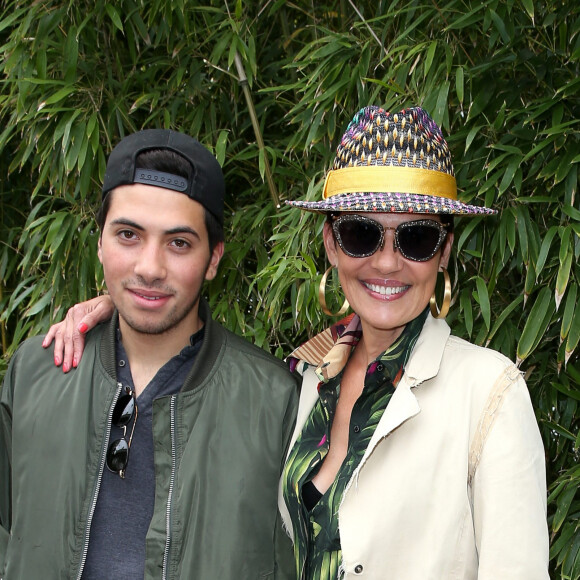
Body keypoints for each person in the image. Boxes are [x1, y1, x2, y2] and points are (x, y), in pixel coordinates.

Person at [44, 106, 550, 579]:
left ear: (444, 252)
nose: (388, 262)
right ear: (331, 244)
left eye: (415, 238)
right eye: (360, 233)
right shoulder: (304, 380)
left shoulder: (489, 394)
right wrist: (121, 309)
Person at [0, 129, 299, 579]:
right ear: (99, 241)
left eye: (179, 243)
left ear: (214, 258)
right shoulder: (38, 374)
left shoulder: (274, 402)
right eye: (128, 235)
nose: (149, 268)